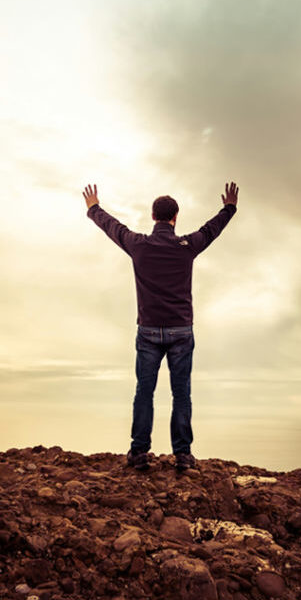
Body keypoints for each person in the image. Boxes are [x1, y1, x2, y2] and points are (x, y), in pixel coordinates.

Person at [83, 181, 239, 473]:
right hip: (181, 331)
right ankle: (183, 456)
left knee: (145, 391)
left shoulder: (139, 245)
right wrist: (229, 208)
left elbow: (113, 227)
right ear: (175, 217)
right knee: (181, 394)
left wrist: (94, 209)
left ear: (153, 217)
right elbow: (210, 230)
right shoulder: (186, 246)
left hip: (149, 332)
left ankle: (139, 453)